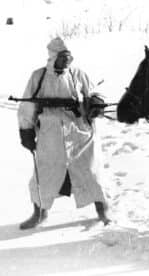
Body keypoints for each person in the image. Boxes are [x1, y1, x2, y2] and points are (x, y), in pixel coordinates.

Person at [17, 37, 111, 230]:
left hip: (80, 132)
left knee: (92, 173)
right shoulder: (39, 77)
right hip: (50, 135)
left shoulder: (78, 74)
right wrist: (26, 130)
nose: (67, 61)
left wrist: (96, 103)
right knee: (43, 175)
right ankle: (39, 214)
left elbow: (95, 93)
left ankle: (103, 210)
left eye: (69, 57)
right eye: (62, 57)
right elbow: (27, 105)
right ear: (53, 58)